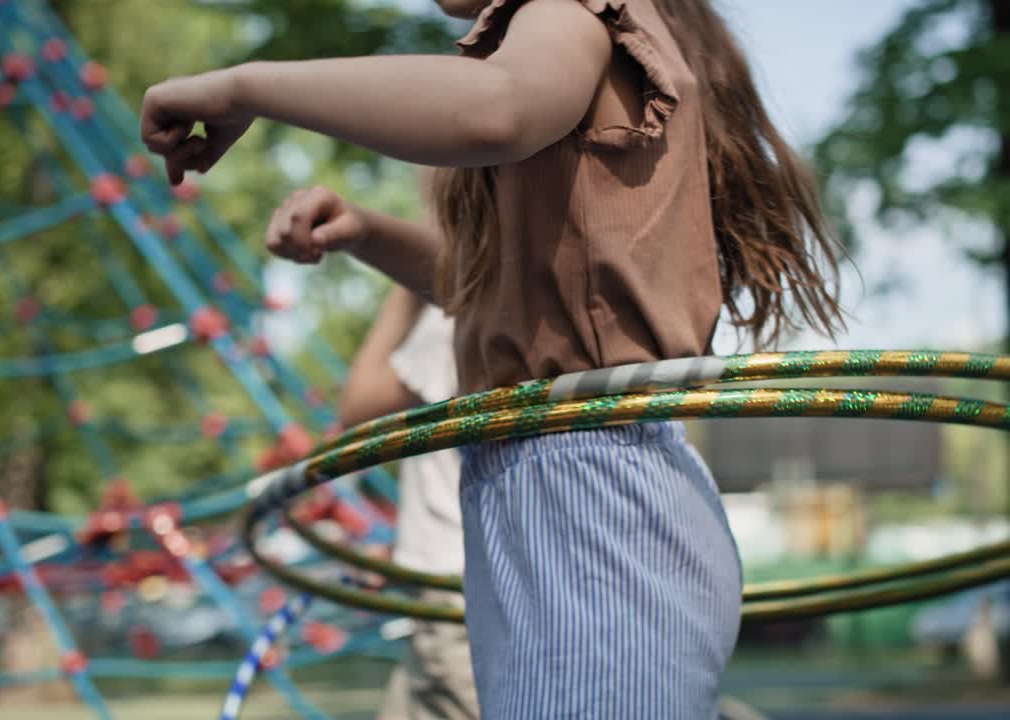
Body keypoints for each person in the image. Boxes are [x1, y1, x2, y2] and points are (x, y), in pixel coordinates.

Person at [141, 0, 844, 715]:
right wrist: (369, 232)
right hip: (560, 492)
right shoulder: (567, 45)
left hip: (592, 492)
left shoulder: (566, 13)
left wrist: (246, 87)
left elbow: (497, 111)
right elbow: (502, 296)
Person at [332, 277, 478, 719]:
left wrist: (416, 277)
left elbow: (357, 406)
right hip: (452, 587)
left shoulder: (454, 314)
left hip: (454, 598)